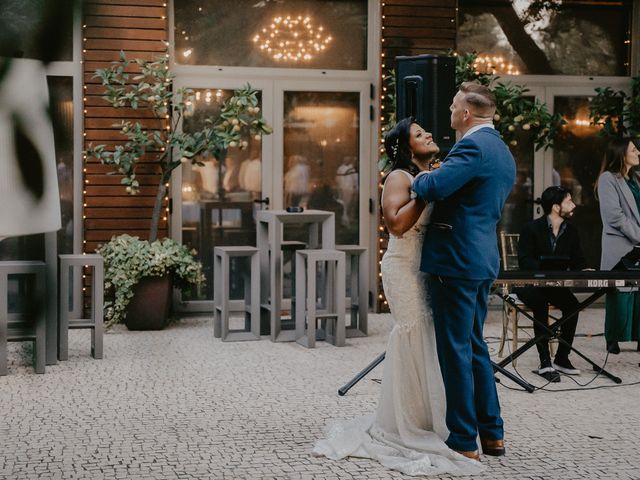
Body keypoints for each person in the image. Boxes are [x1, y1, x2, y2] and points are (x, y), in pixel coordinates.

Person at [313, 117, 484, 476]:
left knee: (432, 339)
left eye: (427, 130)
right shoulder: (400, 178)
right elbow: (395, 223)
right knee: (413, 335)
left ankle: (434, 417)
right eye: (420, 134)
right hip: (404, 267)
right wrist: (425, 191)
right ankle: (405, 422)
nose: (430, 134)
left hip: (430, 267)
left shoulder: (434, 174)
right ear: (407, 148)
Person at [412, 82, 515, 459]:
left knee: (455, 350)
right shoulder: (501, 149)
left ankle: (462, 439)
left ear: (466, 114)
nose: (451, 111)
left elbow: (436, 187)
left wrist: (419, 175)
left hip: (456, 260)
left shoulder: (472, 145)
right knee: (474, 347)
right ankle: (493, 434)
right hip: (481, 257)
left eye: (455, 105)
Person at [515, 186, 587, 382]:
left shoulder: (571, 230)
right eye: (569, 201)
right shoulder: (531, 228)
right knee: (539, 303)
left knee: (573, 305)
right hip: (529, 285)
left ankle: (562, 358)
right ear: (556, 207)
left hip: (554, 286)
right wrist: (546, 267)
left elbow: (578, 260)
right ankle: (544, 361)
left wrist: (584, 270)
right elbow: (524, 261)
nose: (573, 205)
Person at [596, 137, 640, 354]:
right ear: (622, 153)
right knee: (619, 292)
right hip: (622, 243)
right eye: (634, 149)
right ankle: (613, 337)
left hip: (637, 243)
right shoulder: (608, 179)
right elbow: (615, 216)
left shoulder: (636, 179)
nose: (638, 152)